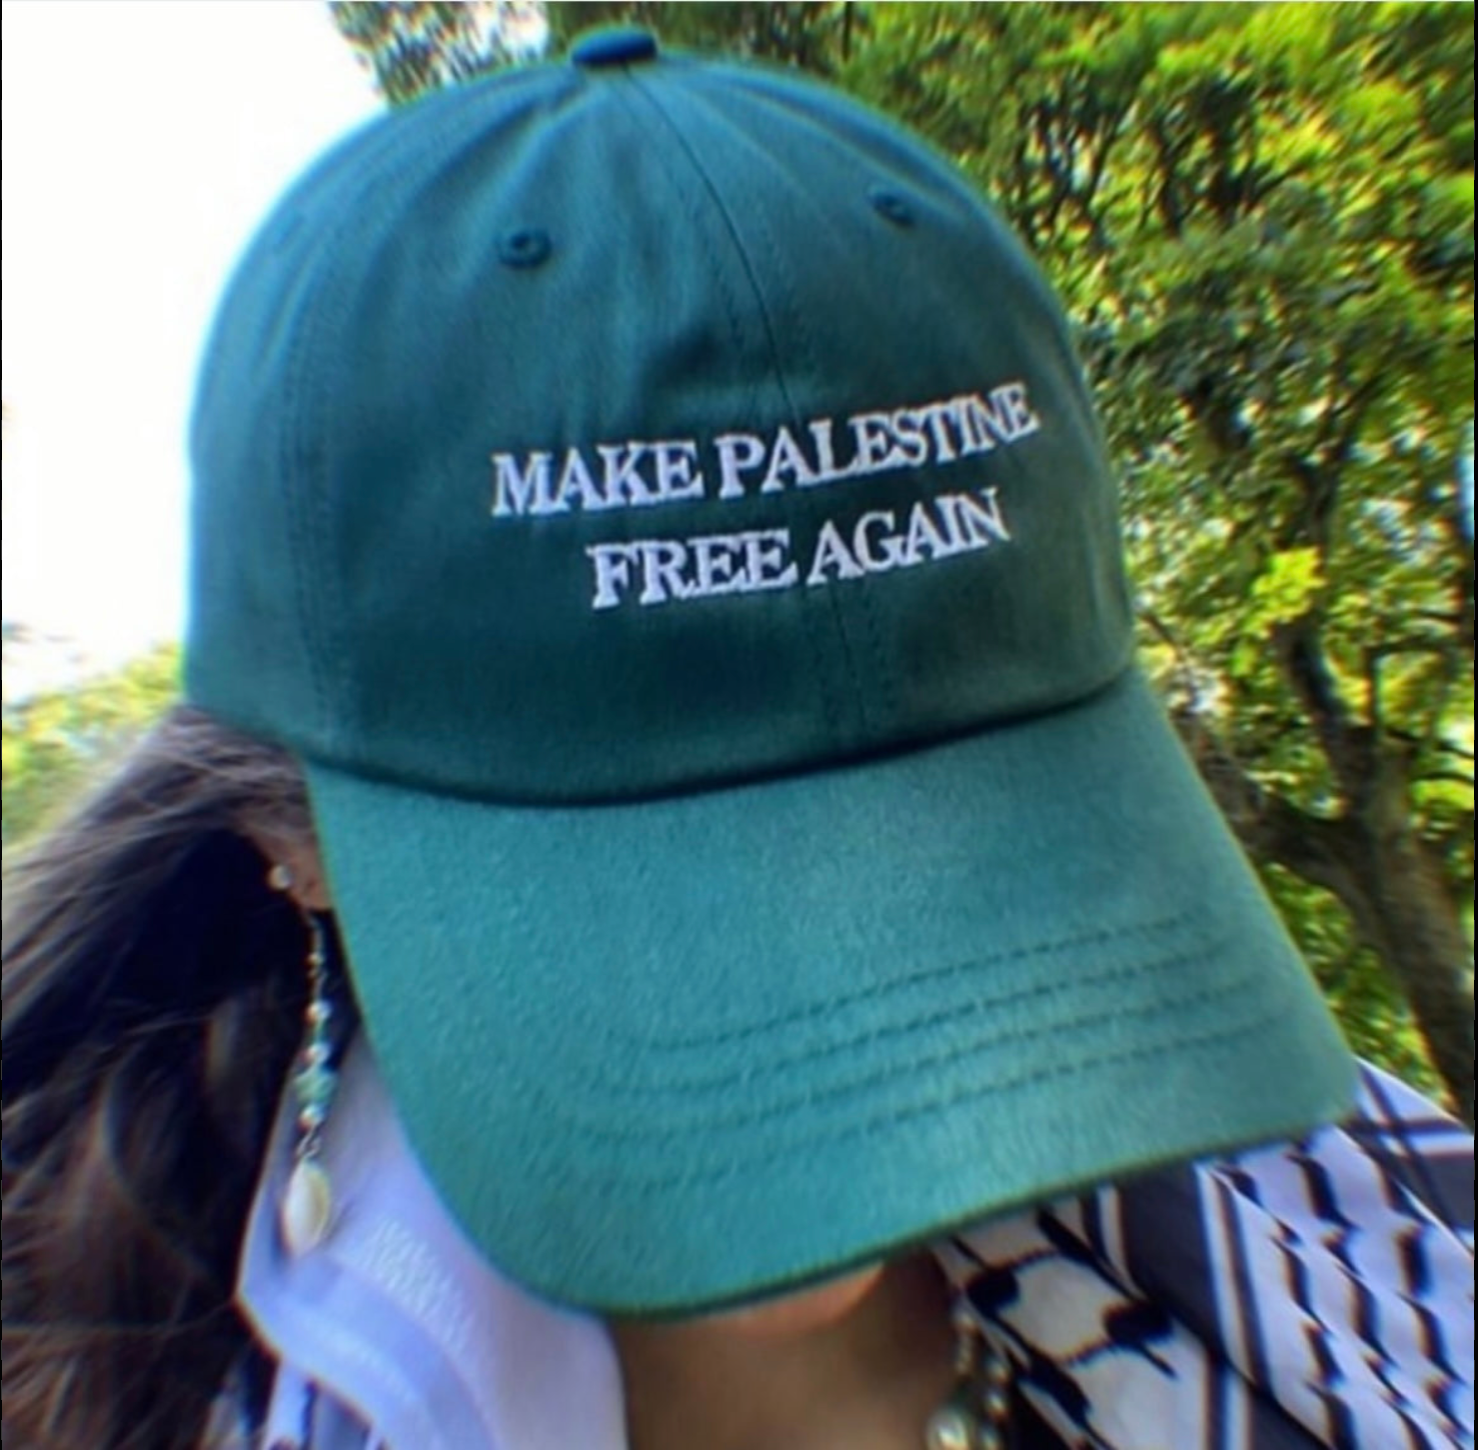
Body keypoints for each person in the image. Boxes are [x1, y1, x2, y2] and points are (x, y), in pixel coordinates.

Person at [3, 28, 1472, 1450]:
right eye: (657, 896)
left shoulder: (1385, 1232)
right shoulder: (86, 1376)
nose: (850, 1063)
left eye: (958, 847)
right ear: (286, 829)